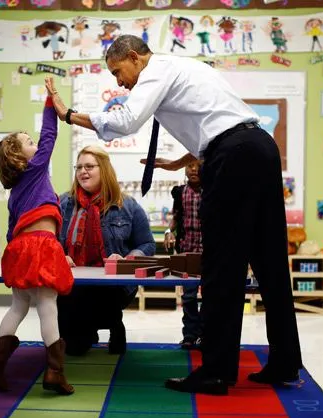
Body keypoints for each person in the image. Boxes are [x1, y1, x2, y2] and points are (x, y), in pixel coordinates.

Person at [44, 35, 303, 396]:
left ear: (134, 57)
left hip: (234, 157)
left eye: (119, 72)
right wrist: (184, 160)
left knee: (221, 267)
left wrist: (69, 115)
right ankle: (285, 363)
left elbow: (127, 120)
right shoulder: (186, 67)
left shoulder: (156, 70)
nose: (120, 82)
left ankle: (214, 372)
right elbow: (217, 122)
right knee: (270, 261)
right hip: (259, 148)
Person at [0, 81, 74, 396]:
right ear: (20, 157)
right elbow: (50, 135)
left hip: (19, 247)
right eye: (28, 142)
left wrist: (15, 257)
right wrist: (50, 101)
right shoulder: (35, 170)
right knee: (47, 303)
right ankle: (55, 372)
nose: (36, 144)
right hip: (41, 245)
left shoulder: (15, 191)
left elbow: (11, 230)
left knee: (19, 304)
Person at [57, 145, 155, 356]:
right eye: (79, 167)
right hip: (72, 284)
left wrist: (128, 259)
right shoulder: (64, 203)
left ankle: (114, 324)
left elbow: (147, 244)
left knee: (99, 309)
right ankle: (89, 329)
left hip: (112, 287)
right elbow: (49, 240)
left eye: (89, 166)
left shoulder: (127, 205)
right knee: (74, 349)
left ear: (104, 169)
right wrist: (58, 255)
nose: (83, 171)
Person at [164, 159, 203, 350]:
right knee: (188, 296)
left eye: (198, 165)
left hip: (209, 252)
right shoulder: (179, 192)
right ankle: (189, 335)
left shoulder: (212, 190)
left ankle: (205, 334)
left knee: (210, 297)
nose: (194, 169)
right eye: (190, 165)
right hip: (187, 251)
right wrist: (168, 231)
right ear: (184, 169)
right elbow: (176, 216)